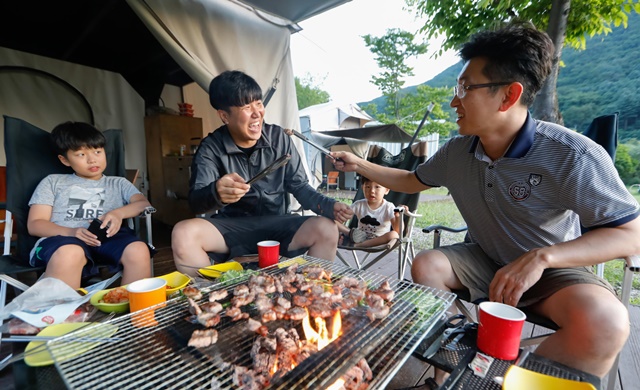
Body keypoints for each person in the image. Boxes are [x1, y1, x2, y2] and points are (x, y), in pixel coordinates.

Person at [331, 21, 640, 382]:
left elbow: (631, 234)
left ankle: (507, 379)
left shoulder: (573, 154)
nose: (454, 100)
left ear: (508, 95)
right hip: (485, 259)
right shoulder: (456, 152)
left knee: (607, 321)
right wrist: (359, 163)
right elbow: (411, 180)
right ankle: (448, 377)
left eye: (465, 87)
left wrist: (542, 258)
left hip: (552, 271)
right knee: (428, 264)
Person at [172, 70, 352, 276]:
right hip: (231, 227)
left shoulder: (279, 138)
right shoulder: (211, 147)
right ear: (224, 116)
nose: (257, 113)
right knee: (183, 233)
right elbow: (196, 201)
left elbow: (299, 186)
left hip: (278, 223)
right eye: (246, 107)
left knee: (327, 228)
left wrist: (330, 207)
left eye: (258, 103)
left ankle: (309, 296)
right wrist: (216, 193)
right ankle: (213, 299)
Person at [27, 122, 153, 289]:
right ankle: (62, 314)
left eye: (97, 151)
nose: (92, 159)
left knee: (138, 250)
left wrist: (118, 214)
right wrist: (71, 232)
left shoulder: (118, 183)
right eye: (80, 154)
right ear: (64, 160)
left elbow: (143, 204)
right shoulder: (53, 182)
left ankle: (137, 311)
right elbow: (35, 224)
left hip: (107, 239)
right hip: (62, 240)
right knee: (71, 252)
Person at [337, 176, 405, 248]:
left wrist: (398, 216)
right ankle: (352, 240)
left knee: (394, 234)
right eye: (368, 187)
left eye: (377, 187)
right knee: (332, 221)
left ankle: (357, 246)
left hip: (379, 240)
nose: (372, 191)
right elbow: (343, 216)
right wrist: (346, 229)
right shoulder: (359, 204)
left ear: (386, 190)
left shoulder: (389, 207)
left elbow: (398, 230)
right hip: (359, 238)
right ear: (363, 188)